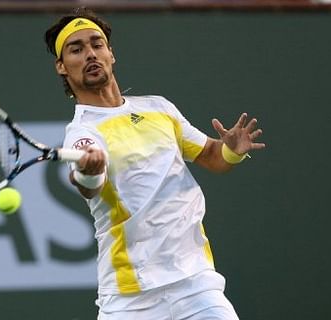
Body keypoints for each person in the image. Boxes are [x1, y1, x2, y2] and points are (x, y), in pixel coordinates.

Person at [44, 8, 265, 320]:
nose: (90, 54)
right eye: (76, 49)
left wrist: (231, 150)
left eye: (97, 44)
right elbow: (89, 186)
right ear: (62, 66)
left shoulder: (160, 109)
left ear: (111, 53)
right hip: (130, 299)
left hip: (196, 285)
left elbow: (211, 157)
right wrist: (89, 172)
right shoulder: (83, 132)